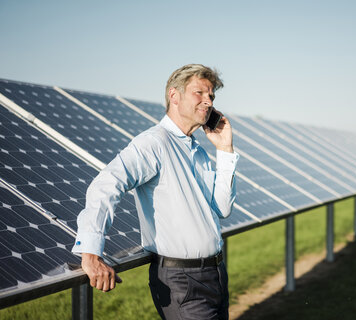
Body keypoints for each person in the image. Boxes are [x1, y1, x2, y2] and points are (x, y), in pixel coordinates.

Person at [72, 64, 239, 319]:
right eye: (200, 93)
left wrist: (225, 149)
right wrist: (91, 253)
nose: (208, 101)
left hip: (216, 274)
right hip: (181, 281)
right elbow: (106, 183)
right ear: (174, 95)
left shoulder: (200, 152)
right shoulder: (154, 142)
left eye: (212, 96)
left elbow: (223, 209)